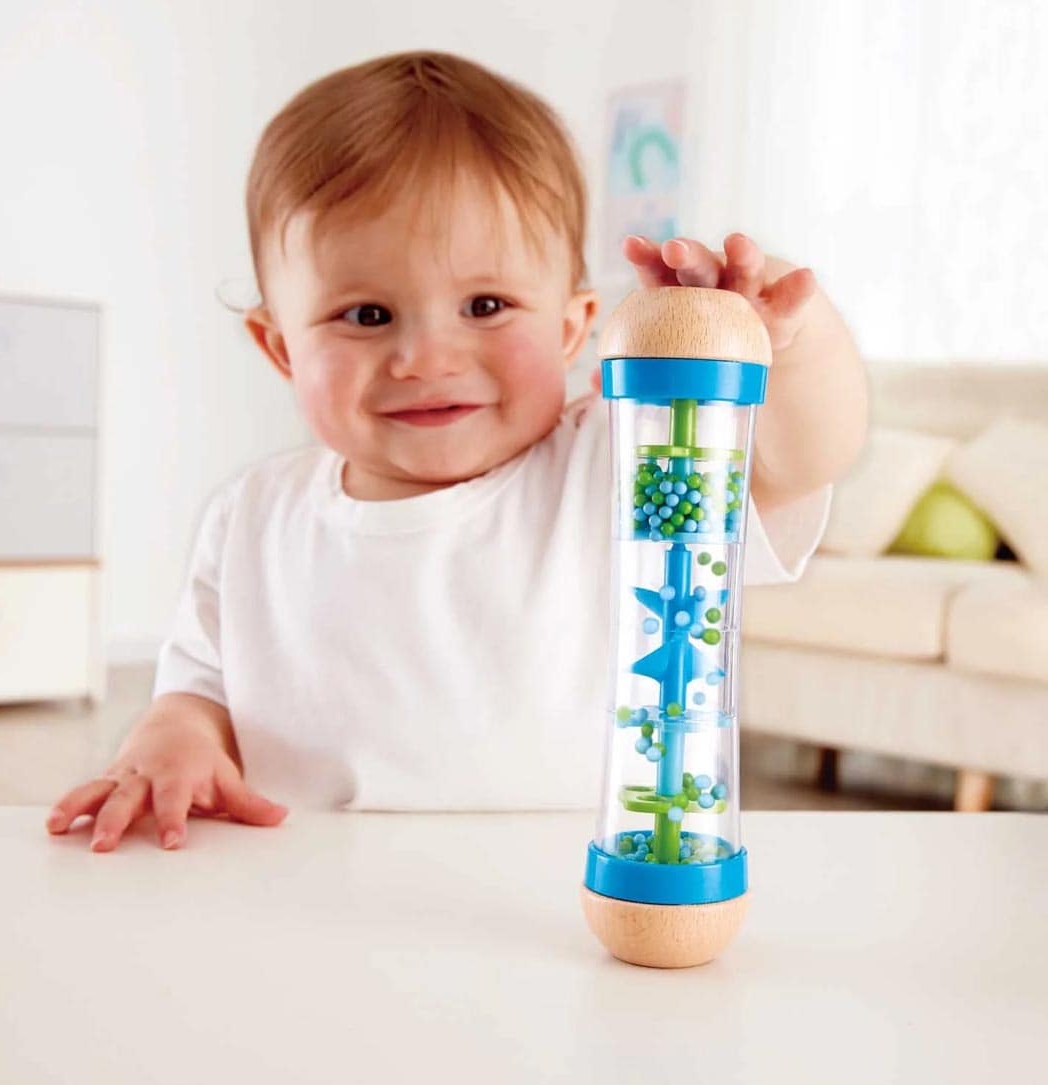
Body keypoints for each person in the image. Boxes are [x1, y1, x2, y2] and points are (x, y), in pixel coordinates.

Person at [46, 50, 867, 853]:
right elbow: (201, 689)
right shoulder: (252, 518)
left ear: (573, 326)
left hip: (550, 912)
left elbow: (805, 453)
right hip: (307, 908)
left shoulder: (620, 472)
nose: (426, 358)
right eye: (366, 316)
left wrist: (783, 343)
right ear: (280, 347)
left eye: (485, 304)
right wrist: (175, 736)